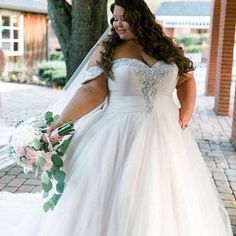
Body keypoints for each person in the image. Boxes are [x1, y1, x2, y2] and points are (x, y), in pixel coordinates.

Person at [0, 0, 233, 235]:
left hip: (167, 132)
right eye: (115, 19)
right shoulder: (109, 49)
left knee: (164, 193)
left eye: (124, 18)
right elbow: (92, 91)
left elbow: (185, 78)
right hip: (119, 131)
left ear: (141, 18)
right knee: (121, 195)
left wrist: (187, 110)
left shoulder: (166, 46)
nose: (117, 24)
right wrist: (61, 122)